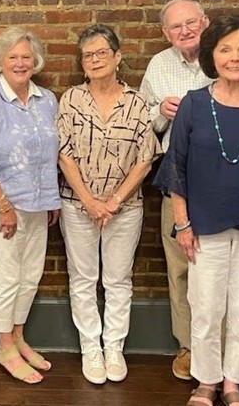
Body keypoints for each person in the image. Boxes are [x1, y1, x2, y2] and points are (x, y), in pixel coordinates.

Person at [139, 0, 239, 380]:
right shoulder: (161, 68)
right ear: (166, 33)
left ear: (205, 22)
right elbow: (146, 125)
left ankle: (231, 370)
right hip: (188, 195)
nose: (185, 30)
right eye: (176, 26)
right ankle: (192, 352)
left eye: (191, 22)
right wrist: (160, 111)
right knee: (188, 279)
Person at [56, 24, 161, 385]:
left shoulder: (136, 102)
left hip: (125, 208)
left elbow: (145, 159)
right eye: (88, 55)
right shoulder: (71, 99)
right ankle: (90, 347)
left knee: (118, 279)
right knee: (83, 278)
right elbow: (63, 153)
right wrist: (89, 200)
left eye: (102, 52)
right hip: (77, 205)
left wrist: (113, 202)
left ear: (118, 57)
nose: (95, 59)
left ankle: (113, 347)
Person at [0, 26, 61, 385]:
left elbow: (51, 154)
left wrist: (51, 198)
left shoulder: (47, 99)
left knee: (30, 275)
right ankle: (4, 347)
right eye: (13, 57)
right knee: (6, 277)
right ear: (0, 62)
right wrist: (4, 206)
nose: (20, 63)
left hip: (38, 204)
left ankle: (19, 337)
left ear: (35, 61)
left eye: (26, 57)